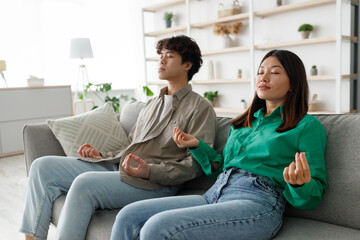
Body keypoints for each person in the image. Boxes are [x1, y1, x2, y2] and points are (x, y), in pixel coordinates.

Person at [110, 49, 327, 240]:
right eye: (261, 71)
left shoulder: (306, 126)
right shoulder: (242, 123)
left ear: (293, 83)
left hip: (258, 202)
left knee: (157, 228)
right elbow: (221, 170)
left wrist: (299, 184)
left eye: (275, 72)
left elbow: (314, 194)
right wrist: (197, 146)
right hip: (215, 194)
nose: (264, 77)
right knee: (129, 216)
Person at [20, 35, 217, 240]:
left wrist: (149, 170)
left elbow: (195, 165)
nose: (161, 60)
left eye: (169, 55)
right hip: (122, 166)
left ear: (187, 64)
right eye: (160, 55)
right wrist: (101, 155)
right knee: (42, 167)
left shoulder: (200, 108)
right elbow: (131, 145)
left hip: (155, 183)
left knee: (85, 183)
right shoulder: (151, 105)